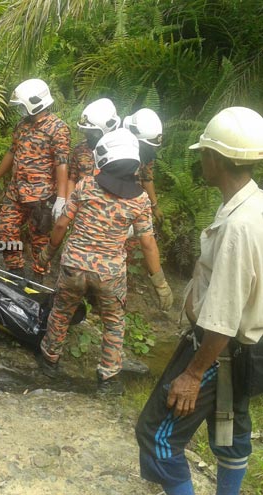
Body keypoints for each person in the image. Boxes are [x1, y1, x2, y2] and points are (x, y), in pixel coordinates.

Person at [136, 107, 263, 495]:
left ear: (214, 158)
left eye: (203, 153)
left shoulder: (240, 226)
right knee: (229, 429)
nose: (200, 160)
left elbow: (224, 314)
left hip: (218, 351)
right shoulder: (251, 206)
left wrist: (192, 374)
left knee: (155, 436)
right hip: (247, 349)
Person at [37, 128, 173, 394]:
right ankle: (108, 379)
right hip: (109, 274)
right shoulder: (140, 200)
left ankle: (49, 362)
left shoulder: (86, 185)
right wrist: (160, 283)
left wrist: (46, 255)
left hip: (74, 266)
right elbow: (147, 243)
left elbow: (62, 224)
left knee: (61, 312)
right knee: (113, 322)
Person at [0, 78, 70, 278]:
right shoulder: (22, 125)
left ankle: (38, 280)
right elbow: (11, 152)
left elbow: (62, 163)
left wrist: (61, 197)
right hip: (16, 192)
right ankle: (15, 273)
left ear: (35, 103)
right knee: (6, 231)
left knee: (40, 240)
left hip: (41, 197)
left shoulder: (58, 129)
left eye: (23, 106)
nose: (20, 110)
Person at [67, 97, 121, 193]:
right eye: (86, 130)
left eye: (92, 132)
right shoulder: (80, 149)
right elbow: (72, 179)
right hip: (81, 202)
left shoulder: (121, 152)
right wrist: (67, 203)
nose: (87, 134)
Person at [123, 108, 164, 223]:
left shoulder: (147, 153)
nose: (148, 149)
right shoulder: (117, 148)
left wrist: (154, 206)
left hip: (137, 204)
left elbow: (147, 178)